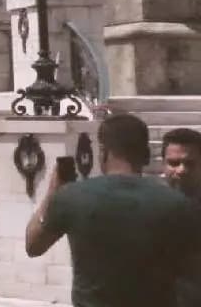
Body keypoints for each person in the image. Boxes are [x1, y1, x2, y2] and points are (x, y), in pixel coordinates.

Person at [25, 114, 200, 307]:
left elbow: (33, 246)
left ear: (102, 152)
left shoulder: (72, 197)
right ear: (147, 155)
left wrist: (52, 193)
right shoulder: (177, 204)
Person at [161, 128, 201, 306]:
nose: (182, 170)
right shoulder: (145, 207)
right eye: (174, 163)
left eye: (190, 163)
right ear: (163, 164)